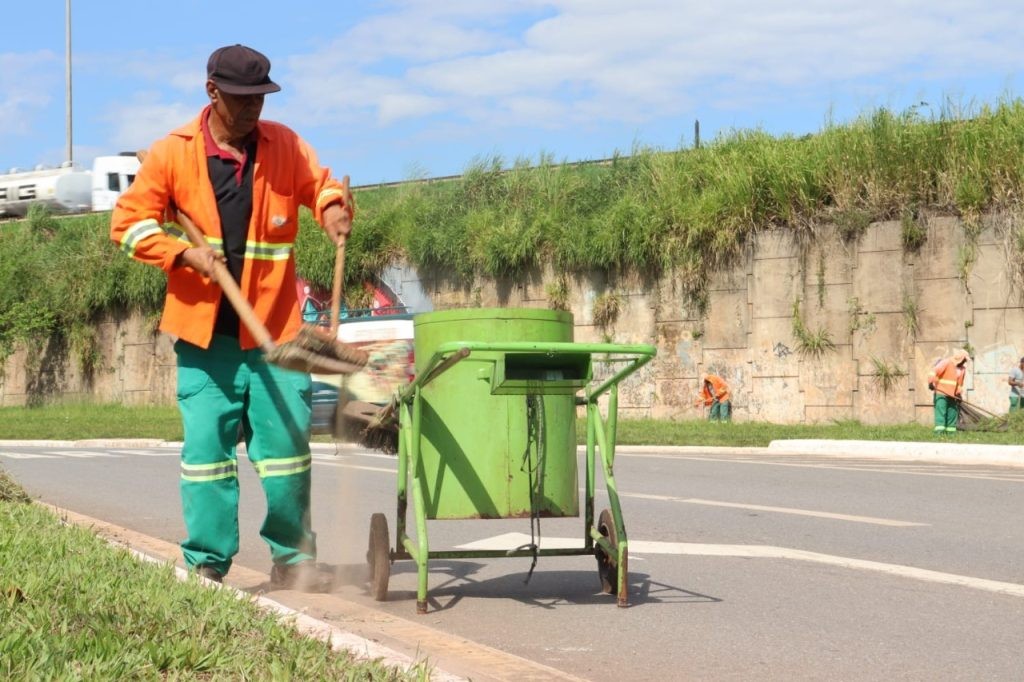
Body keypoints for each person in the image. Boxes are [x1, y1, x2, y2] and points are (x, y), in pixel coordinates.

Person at [109, 44, 353, 589]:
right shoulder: (172, 154)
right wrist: (181, 253)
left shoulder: (284, 145)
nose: (251, 112)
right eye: (241, 101)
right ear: (212, 92)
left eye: (259, 100)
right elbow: (128, 225)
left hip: (276, 335)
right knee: (206, 460)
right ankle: (207, 566)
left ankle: (295, 562)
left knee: (289, 455)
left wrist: (333, 207)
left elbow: (323, 183)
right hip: (204, 340)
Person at [927, 349, 969, 435]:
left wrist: (959, 394)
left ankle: (951, 432)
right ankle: (939, 431)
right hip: (941, 392)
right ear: (960, 358)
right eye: (964, 360)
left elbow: (960, 384)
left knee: (952, 412)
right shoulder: (946, 362)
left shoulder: (962, 369)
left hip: (953, 395)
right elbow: (934, 371)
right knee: (941, 411)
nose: (964, 362)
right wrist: (931, 382)